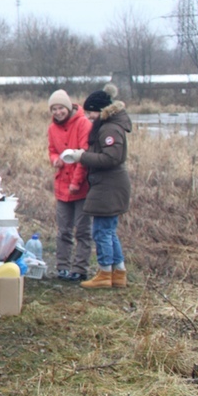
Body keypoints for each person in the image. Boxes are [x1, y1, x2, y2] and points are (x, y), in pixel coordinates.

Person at [61, 84, 131, 289]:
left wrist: (82, 156)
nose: (89, 118)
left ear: (100, 111)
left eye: (91, 113)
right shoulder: (108, 125)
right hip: (108, 184)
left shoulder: (109, 128)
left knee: (101, 231)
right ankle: (118, 273)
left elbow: (112, 157)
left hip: (109, 186)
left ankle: (104, 273)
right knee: (109, 231)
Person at [46, 89, 93, 282]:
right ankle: (62, 267)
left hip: (80, 186)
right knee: (63, 229)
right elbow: (51, 150)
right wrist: (55, 159)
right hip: (62, 186)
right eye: (54, 109)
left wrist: (76, 183)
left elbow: (84, 155)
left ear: (68, 107)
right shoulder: (52, 129)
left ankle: (80, 268)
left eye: (60, 108)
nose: (58, 112)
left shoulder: (83, 124)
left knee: (82, 230)